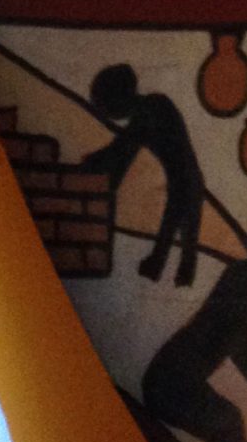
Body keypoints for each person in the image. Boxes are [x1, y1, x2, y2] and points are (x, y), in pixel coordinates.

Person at [141, 214, 247, 442]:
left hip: (172, 380)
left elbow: (241, 347)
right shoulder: (240, 277)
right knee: (227, 423)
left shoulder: (242, 287)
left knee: (228, 423)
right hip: (168, 381)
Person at [82, 63, 204, 286]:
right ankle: (161, 268)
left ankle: (162, 270)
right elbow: (124, 147)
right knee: (181, 237)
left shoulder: (150, 110)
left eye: (107, 107)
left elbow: (123, 150)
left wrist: (97, 168)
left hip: (185, 182)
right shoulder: (151, 107)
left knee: (182, 239)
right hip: (185, 181)